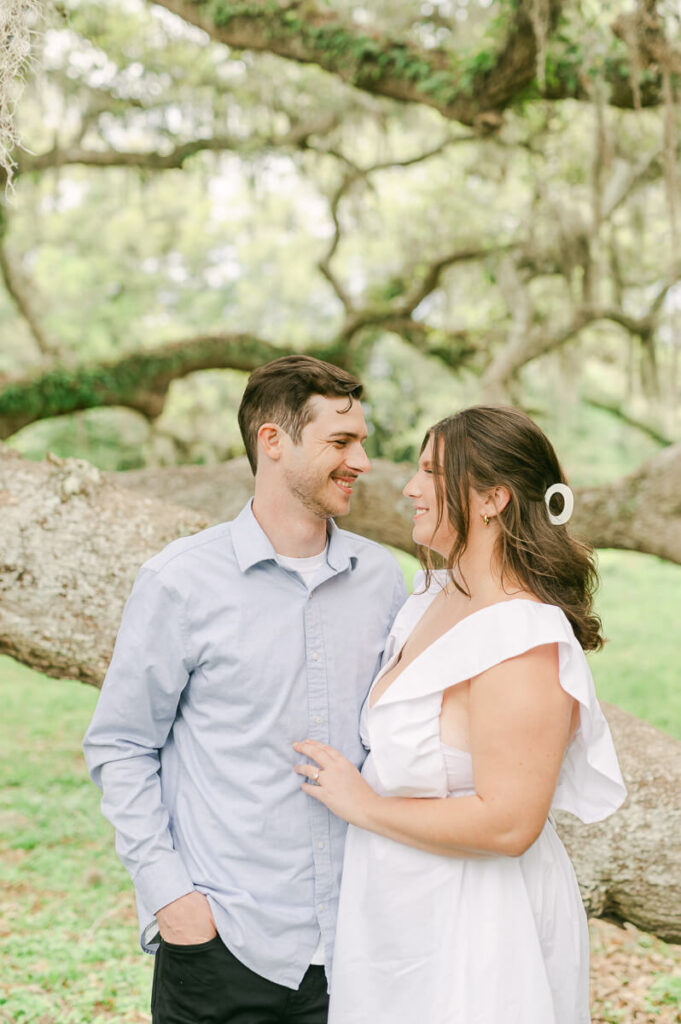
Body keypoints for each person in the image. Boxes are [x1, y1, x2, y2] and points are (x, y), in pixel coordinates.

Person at [83, 355, 407, 1024]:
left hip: (360, 946)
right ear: (272, 442)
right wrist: (172, 901)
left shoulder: (382, 580)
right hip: (224, 942)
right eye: (340, 443)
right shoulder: (180, 583)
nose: (362, 462)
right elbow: (121, 747)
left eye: (363, 443)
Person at [294, 405, 627, 1024]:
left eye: (430, 471)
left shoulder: (521, 637)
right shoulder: (430, 598)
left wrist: (362, 805)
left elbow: (508, 825)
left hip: (482, 929)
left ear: (492, 498)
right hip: (399, 913)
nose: (410, 487)